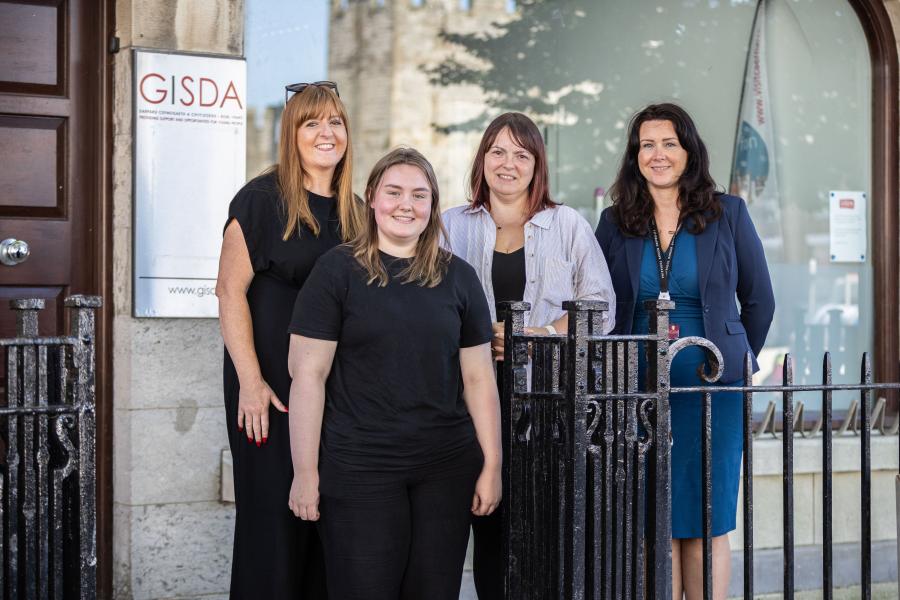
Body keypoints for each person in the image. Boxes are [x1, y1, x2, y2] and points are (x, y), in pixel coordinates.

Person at [286, 147, 503, 600]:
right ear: (371, 198)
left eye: (419, 195)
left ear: (432, 205)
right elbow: (308, 376)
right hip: (359, 465)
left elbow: (479, 379)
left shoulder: (459, 278)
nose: (406, 205)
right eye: (395, 192)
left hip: (445, 466)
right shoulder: (337, 271)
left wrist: (492, 466)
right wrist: (304, 472)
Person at [595, 103, 774, 600]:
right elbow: (598, 299)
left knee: (706, 520)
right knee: (652, 521)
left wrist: (733, 359)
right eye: (646, 145)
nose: (657, 154)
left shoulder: (728, 213)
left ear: (688, 150)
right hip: (636, 385)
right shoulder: (614, 221)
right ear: (635, 156)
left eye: (668, 143)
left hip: (712, 387)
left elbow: (760, 300)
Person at [443, 111, 617, 599]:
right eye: (497, 151)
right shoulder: (451, 225)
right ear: (482, 160)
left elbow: (601, 309)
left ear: (537, 165)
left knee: (542, 524)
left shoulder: (566, 225)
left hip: (545, 397)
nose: (508, 164)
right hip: (468, 395)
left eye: (522, 154)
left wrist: (535, 333)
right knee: (486, 522)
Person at [216, 81, 363, 599]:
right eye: (312, 123)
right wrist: (250, 384)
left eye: (336, 122)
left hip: (335, 394)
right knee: (272, 525)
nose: (327, 133)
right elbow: (229, 293)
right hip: (270, 392)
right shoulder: (261, 200)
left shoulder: (358, 213)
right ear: (291, 134)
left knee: (326, 523)